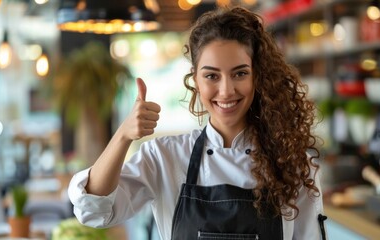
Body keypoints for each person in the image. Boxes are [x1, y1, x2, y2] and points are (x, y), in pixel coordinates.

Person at [68, 6, 326, 240]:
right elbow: (95, 211)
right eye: (212, 75)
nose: (226, 91)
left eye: (240, 73)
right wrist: (122, 135)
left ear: (257, 77)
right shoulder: (164, 157)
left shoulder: (292, 164)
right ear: (196, 80)